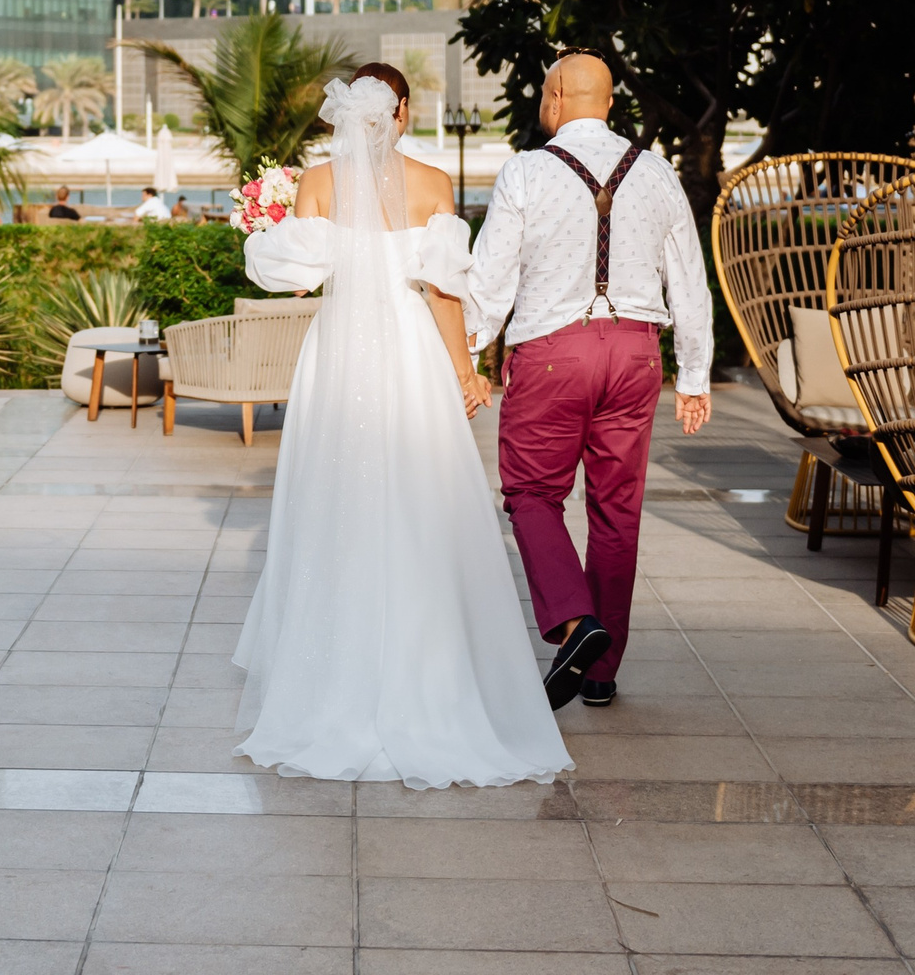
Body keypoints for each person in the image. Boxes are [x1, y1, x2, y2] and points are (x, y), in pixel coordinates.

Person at [233, 63, 570, 788]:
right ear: (402, 113)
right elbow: (446, 292)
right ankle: (427, 672)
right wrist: (465, 372)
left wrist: (265, 229)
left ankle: (334, 677)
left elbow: (297, 275)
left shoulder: (318, 184)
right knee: (420, 504)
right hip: (411, 349)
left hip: (339, 356)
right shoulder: (431, 184)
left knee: (338, 504)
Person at [465, 52, 712, 712]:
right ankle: (601, 672)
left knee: (531, 494)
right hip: (635, 354)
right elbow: (689, 277)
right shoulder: (656, 171)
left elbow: (491, 279)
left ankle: (577, 623)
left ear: (554, 97)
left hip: (552, 354)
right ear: (607, 103)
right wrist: (694, 374)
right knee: (616, 511)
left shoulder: (525, 171)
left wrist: (464, 353)